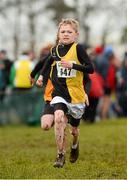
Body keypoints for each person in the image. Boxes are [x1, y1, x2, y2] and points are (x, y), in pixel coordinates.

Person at [36, 18, 94, 168]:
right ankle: (60, 154)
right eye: (63, 31)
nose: (66, 34)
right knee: (59, 117)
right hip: (59, 93)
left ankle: (74, 145)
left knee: (74, 130)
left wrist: (73, 65)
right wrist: (41, 76)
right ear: (58, 34)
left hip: (76, 96)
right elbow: (48, 62)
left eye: (69, 32)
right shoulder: (54, 50)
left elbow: (90, 69)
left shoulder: (78, 49)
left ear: (76, 35)